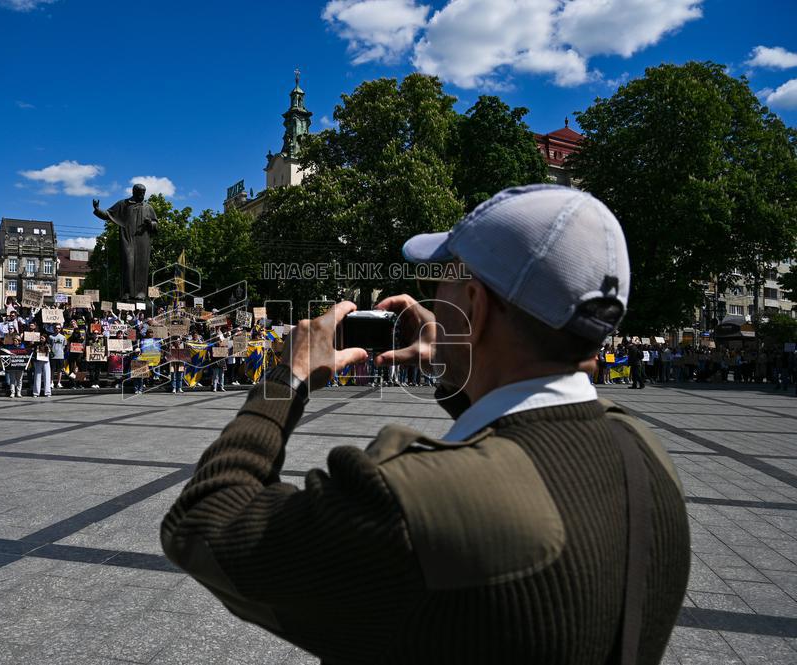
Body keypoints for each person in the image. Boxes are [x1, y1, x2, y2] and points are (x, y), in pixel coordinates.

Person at [161, 185, 690, 664]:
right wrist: (461, 363)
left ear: (476, 306)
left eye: (444, 281)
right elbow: (525, 440)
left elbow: (204, 524)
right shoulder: (643, 453)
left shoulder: (411, 508)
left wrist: (288, 376)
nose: (434, 296)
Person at [32, 334, 52, 398]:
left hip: (46, 361)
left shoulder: (48, 345)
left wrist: (50, 351)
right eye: (40, 338)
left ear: (45, 339)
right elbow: (34, 353)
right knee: (37, 376)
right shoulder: (37, 345)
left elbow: (52, 354)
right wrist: (35, 351)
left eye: (43, 338)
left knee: (47, 376)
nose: (41, 339)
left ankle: (47, 392)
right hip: (38, 361)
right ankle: (36, 392)